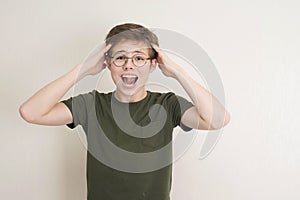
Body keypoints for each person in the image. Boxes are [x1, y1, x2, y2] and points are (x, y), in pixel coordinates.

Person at [19, 23, 230, 200]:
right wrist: (82, 70)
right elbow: (31, 112)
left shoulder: (168, 104)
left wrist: (176, 71)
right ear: (108, 64)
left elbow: (218, 119)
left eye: (139, 58)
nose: (129, 65)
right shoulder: (91, 104)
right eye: (120, 58)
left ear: (153, 64)